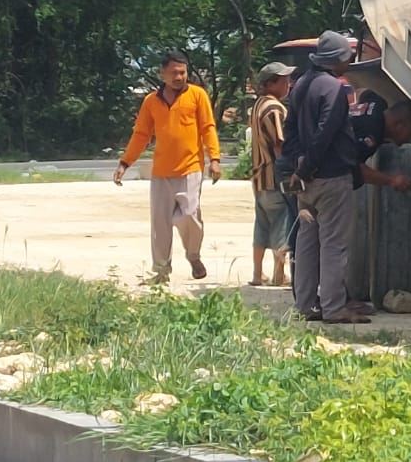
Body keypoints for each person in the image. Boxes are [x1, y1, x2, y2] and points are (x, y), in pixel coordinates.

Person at [281, 32, 411, 324]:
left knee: (307, 241)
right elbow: (326, 132)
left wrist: (298, 166)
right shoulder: (332, 89)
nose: (349, 62)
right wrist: (310, 165)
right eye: (347, 58)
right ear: (338, 59)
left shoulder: (301, 84)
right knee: (333, 244)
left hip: (306, 181)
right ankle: (332, 307)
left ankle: (305, 305)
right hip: (331, 176)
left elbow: (290, 131)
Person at [115, 50, 221, 284]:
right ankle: (161, 272)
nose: (179, 77)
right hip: (161, 172)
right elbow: (141, 134)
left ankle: (193, 256)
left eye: (182, 72)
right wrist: (125, 163)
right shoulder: (151, 101)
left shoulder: (197, 95)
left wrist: (214, 158)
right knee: (160, 225)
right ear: (162, 74)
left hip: (191, 169)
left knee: (189, 216)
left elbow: (208, 128)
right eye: (174, 72)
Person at [247, 61, 296, 287]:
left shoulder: (258, 105)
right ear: (270, 84)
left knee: (262, 225)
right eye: (283, 80)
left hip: (259, 177)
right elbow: (279, 143)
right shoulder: (275, 108)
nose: (288, 84)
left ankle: (257, 273)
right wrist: (289, 172)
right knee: (282, 223)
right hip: (274, 176)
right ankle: (278, 274)